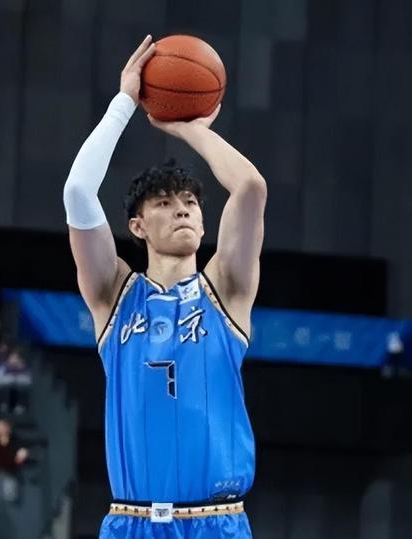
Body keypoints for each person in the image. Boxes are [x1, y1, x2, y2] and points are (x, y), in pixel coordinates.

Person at [63, 35, 266, 538]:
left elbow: (250, 187)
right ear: (137, 226)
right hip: (133, 521)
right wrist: (125, 103)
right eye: (164, 203)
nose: (182, 210)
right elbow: (78, 191)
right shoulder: (113, 294)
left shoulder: (227, 289)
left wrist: (190, 129)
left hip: (216, 523)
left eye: (190, 203)